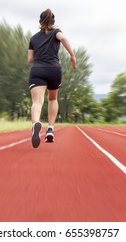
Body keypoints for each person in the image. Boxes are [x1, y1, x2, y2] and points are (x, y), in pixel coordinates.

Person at [28, 9, 77, 148]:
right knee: (52, 99)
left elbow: (30, 59)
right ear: (53, 22)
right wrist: (72, 55)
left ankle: (35, 124)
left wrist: (39, 58)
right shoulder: (56, 32)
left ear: (39, 22)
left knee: (37, 102)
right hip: (54, 69)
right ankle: (50, 129)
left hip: (37, 70)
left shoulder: (33, 38)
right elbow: (63, 38)